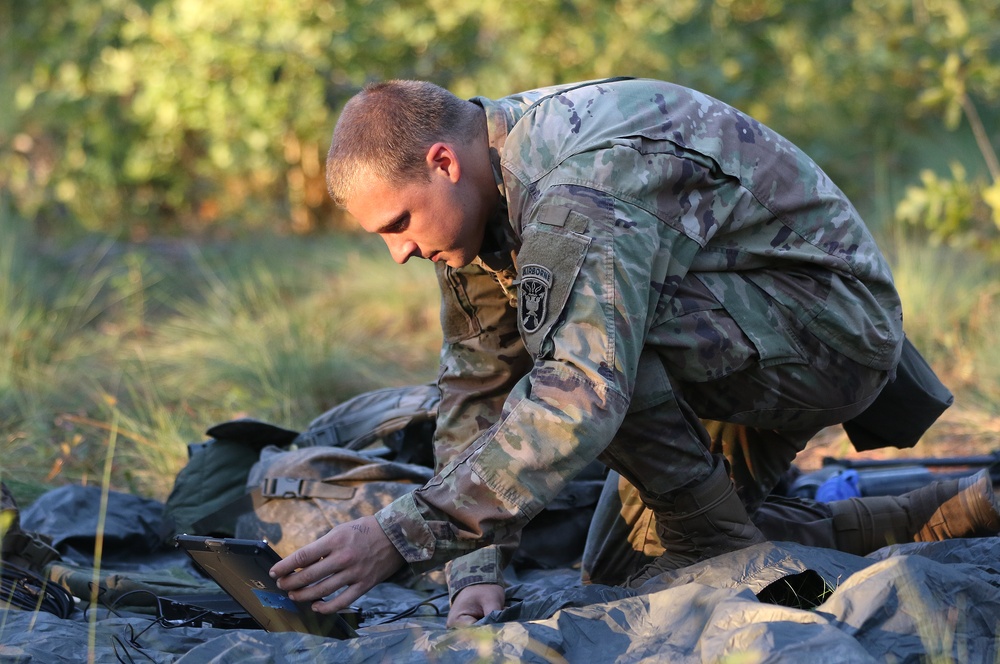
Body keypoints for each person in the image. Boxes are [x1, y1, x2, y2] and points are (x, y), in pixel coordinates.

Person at [270, 77, 1000, 627]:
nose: (400, 252)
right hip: (733, 335)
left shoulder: (571, 191)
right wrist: (472, 566)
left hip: (831, 337)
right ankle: (952, 512)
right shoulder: (474, 200)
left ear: (442, 162)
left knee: (586, 345)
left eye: (398, 223)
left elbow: (579, 394)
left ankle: (722, 548)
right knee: (621, 574)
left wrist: (400, 535)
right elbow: (478, 385)